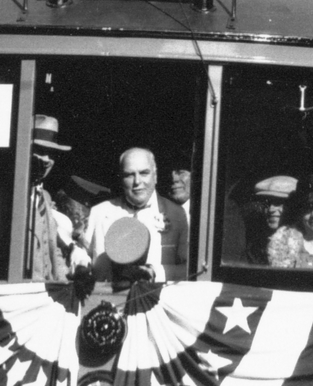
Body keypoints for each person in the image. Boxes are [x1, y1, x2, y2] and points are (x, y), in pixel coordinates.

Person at [86, 145, 190, 281]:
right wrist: (81, 261)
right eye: (129, 175)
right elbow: (83, 259)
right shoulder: (99, 213)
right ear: (121, 178)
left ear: (155, 176)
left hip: (154, 298)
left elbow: (188, 269)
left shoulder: (178, 215)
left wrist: (155, 272)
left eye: (144, 173)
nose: (137, 181)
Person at [25, 114, 86, 283]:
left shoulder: (44, 196)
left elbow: (51, 250)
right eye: (38, 151)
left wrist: (67, 281)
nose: (46, 160)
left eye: (50, 153)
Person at [234, 173, 296, 263]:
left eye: (278, 203)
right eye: (267, 203)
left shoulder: (303, 244)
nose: (271, 209)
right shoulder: (254, 246)